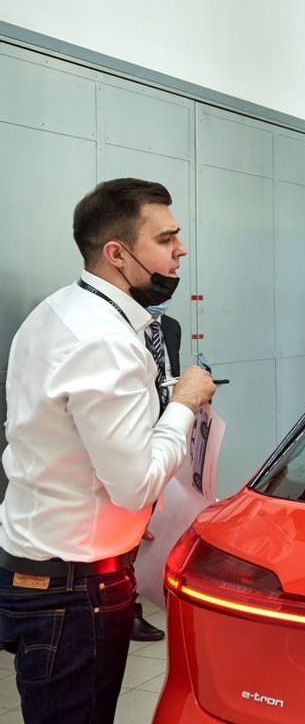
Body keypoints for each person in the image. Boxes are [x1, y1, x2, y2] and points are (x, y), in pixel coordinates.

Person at [0, 178, 217, 723]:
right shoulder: (104, 341)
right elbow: (135, 484)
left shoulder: (60, 310)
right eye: (165, 239)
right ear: (117, 254)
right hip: (73, 591)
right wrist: (184, 404)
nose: (181, 250)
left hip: (39, 564)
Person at [126, 304, 181, 642]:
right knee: (130, 521)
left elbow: (171, 376)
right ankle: (128, 609)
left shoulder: (170, 326)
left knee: (157, 522)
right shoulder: (120, 327)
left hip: (167, 430)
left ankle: (149, 587)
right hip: (133, 433)